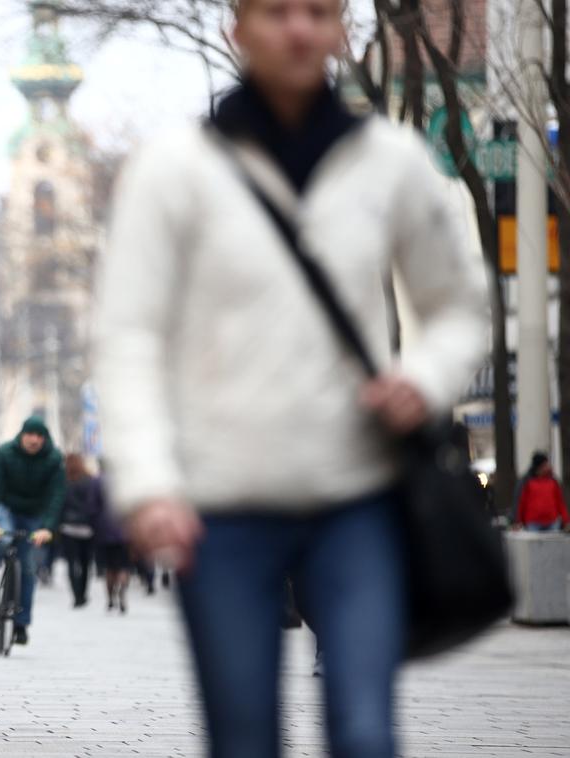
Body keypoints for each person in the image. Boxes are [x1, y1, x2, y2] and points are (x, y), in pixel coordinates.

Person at [93, 0, 489, 755]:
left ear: (343, 28)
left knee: (366, 732)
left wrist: (425, 378)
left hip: (359, 501)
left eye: (318, 11)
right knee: (244, 738)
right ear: (235, 28)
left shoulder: (390, 161)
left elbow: (458, 307)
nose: (299, 29)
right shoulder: (175, 170)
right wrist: (147, 485)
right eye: (276, 11)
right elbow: (128, 337)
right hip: (221, 508)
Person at [0, 416, 66, 645]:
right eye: (30, 435)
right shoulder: (5, 453)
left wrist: (47, 528)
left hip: (34, 514)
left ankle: (21, 624)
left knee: (28, 567)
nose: (34, 440)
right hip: (6, 507)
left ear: (44, 439)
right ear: (22, 435)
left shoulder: (54, 459)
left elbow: (56, 496)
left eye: (39, 436)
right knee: (1, 538)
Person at [59, 453, 100, 608]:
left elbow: (60, 503)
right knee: (85, 563)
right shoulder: (89, 480)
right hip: (87, 528)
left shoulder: (63, 481)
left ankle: (76, 595)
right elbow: (93, 504)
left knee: (71, 563)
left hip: (68, 527)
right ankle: (83, 593)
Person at [91, 474, 131, 614]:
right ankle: (122, 592)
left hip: (105, 530)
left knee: (109, 567)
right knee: (124, 566)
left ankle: (110, 599)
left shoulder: (98, 482)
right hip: (126, 530)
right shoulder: (129, 479)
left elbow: (92, 507)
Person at [514, 453, 569, 532]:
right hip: (533, 523)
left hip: (552, 522)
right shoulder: (527, 482)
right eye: (545, 465)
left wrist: (566, 520)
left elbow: (560, 502)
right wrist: (518, 521)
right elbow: (522, 503)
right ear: (539, 467)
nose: (548, 467)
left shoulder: (553, 482)